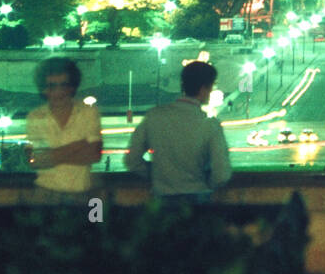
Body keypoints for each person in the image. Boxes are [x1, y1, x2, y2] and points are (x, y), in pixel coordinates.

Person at [125, 59, 232, 200]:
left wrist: (157, 174)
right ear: (203, 89)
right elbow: (221, 174)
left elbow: (132, 160)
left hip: (161, 196)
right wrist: (207, 183)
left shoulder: (154, 116)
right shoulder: (210, 125)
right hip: (197, 197)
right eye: (211, 86)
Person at [26, 58, 102, 202]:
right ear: (43, 89)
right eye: (52, 86)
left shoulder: (88, 113)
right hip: (45, 195)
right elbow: (35, 160)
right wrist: (79, 145)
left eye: (64, 85)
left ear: (72, 87)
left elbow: (94, 155)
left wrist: (51, 156)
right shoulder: (35, 116)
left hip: (83, 195)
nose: (58, 92)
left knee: (93, 222)